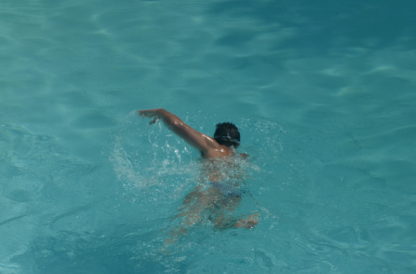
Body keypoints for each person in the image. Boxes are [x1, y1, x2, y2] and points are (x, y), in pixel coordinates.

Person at [138, 108, 258, 242]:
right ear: (237, 143)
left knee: (180, 225)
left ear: (215, 138)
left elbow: (178, 125)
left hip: (213, 188)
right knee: (217, 224)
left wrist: (161, 113)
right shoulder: (242, 157)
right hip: (235, 193)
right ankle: (236, 223)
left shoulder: (213, 147)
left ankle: (163, 250)